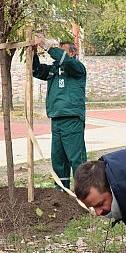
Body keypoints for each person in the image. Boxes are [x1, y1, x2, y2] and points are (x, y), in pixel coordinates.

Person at [32, 39, 87, 189]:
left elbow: (65, 61)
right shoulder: (54, 70)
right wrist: (32, 52)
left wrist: (47, 47)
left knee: (77, 159)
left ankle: (84, 191)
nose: (59, 55)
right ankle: (61, 190)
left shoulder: (77, 68)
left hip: (72, 118)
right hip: (56, 119)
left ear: (72, 53)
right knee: (58, 158)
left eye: (63, 52)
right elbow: (36, 70)